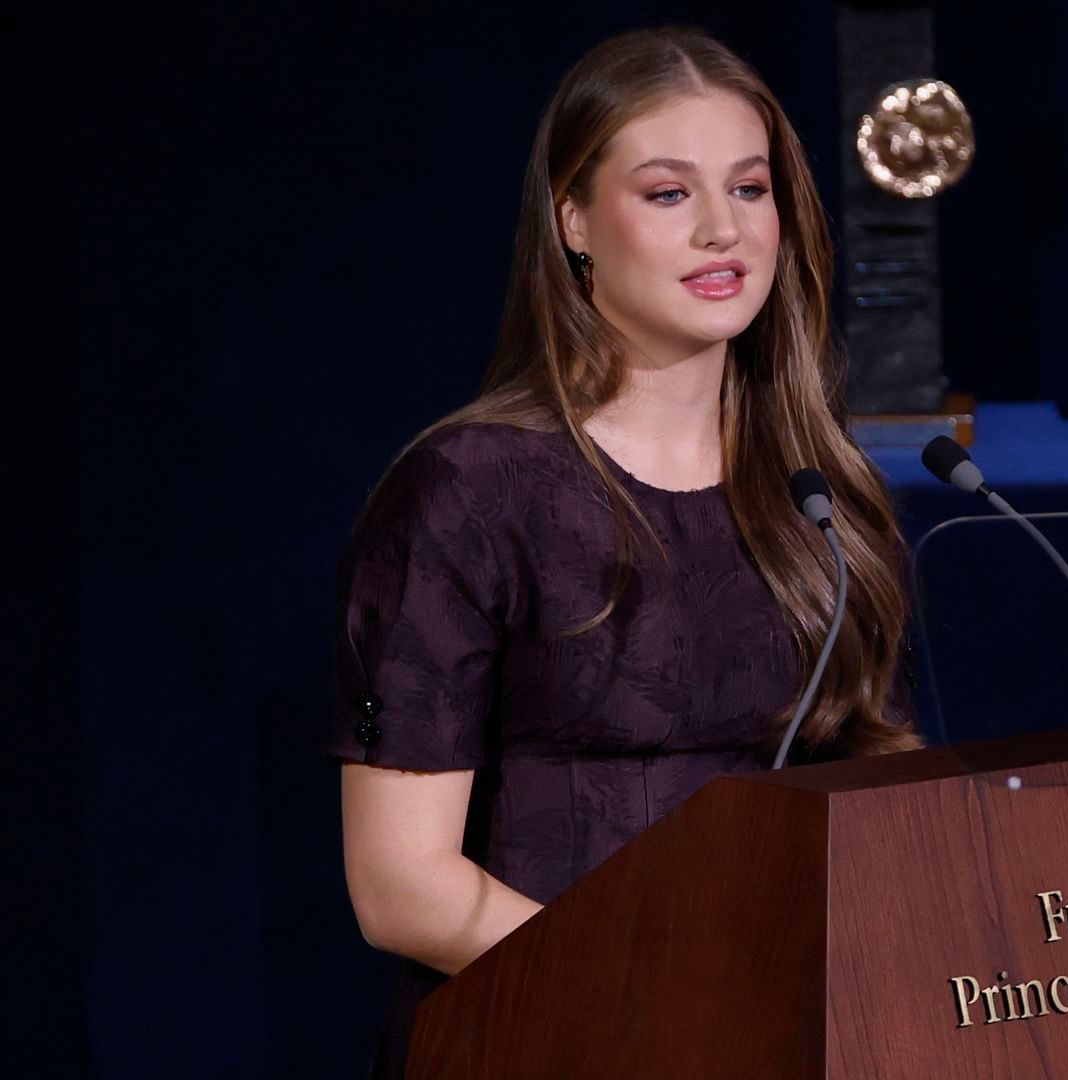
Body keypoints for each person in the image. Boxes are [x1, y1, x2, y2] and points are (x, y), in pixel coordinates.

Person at [323, 26, 920, 1077]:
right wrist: (661, 1004)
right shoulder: (470, 492)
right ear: (573, 223)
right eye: (667, 194)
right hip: (548, 1036)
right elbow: (400, 888)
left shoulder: (818, 490)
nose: (723, 232)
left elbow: (863, 764)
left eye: (748, 188)